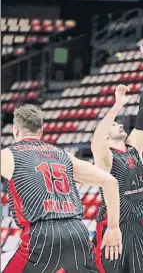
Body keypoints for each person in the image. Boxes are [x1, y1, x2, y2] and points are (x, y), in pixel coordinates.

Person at [1, 104, 122, 273]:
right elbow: (110, 181)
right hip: (77, 233)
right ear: (41, 130)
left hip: (41, 237)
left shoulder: (7, 155)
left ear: (15, 129)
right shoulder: (63, 155)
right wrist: (114, 228)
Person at [91, 45, 143, 273]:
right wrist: (116, 106)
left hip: (135, 227)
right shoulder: (105, 156)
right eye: (116, 124)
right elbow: (97, 140)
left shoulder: (133, 147)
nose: (120, 124)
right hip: (112, 226)